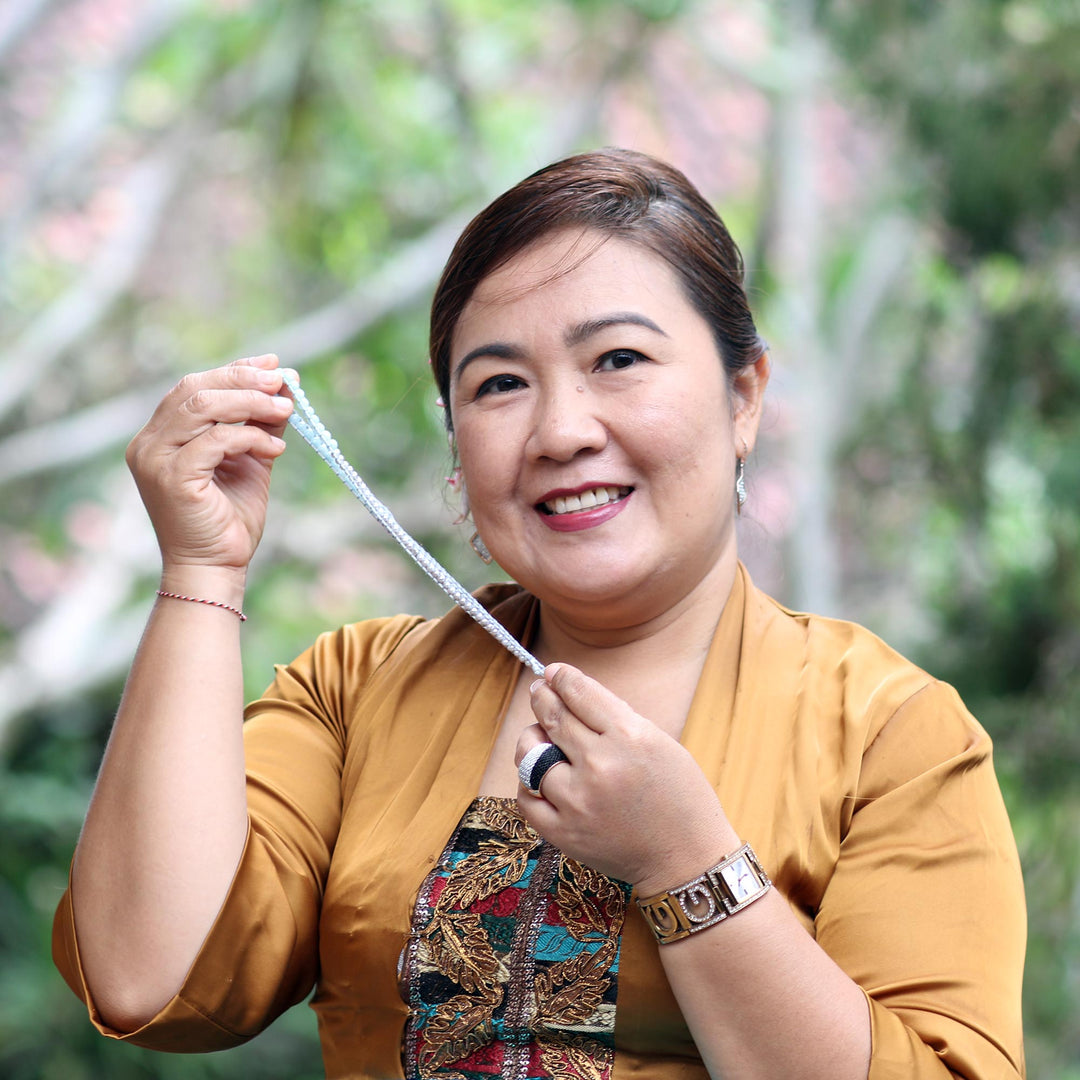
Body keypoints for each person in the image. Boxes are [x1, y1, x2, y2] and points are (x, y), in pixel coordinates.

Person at [54, 148, 1026, 1079]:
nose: (561, 431)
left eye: (618, 360)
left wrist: (685, 860)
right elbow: (149, 979)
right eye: (500, 384)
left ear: (743, 396)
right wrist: (201, 571)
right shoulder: (356, 692)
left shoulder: (894, 736)